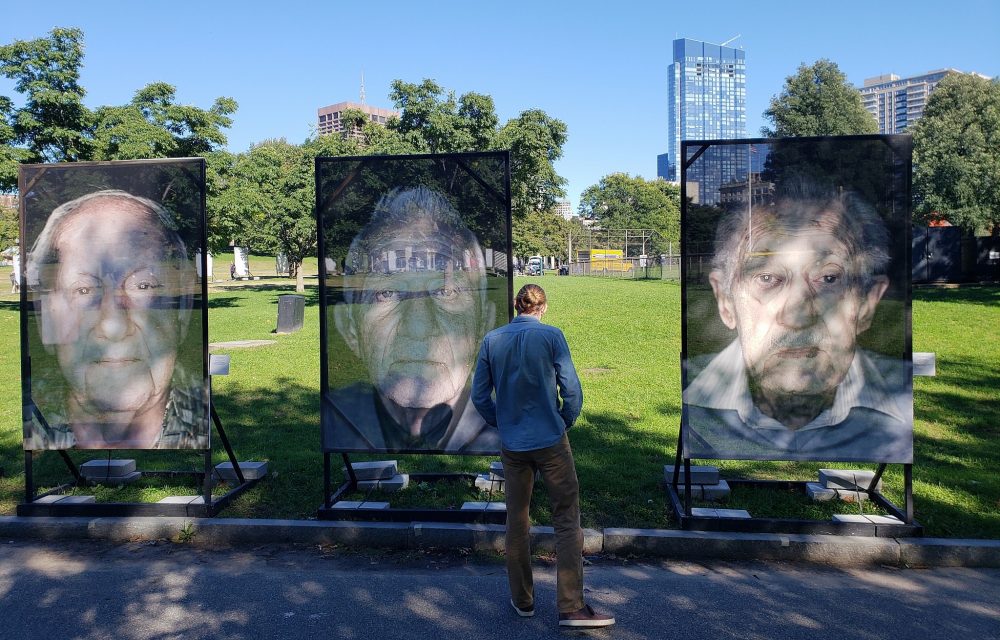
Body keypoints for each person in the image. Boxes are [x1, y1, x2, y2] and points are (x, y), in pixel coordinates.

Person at [683, 190, 912, 462]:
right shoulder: (693, 396)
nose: (798, 317)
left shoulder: (901, 396)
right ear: (725, 301)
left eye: (829, 278)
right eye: (767, 277)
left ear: (866, 304)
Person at [472, 284, 614, 629]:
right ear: (543, 308)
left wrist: (502, 422)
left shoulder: (493, 340)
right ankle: (571, 605)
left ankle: (522, 600)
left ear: (516, 306)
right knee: (566, 518)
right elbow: (572, 390)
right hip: (551, 440)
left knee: (517, 521)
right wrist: (562, 421)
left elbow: (479, 396)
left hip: (513, 444)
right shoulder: (552, 336)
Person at [24, 189, 206, 449]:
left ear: (183, 310)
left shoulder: (202, 415)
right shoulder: (33, 419)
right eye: (84, 290)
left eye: (143, 286)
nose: (114, 326)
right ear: (46, 317)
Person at [323, 186, 499, 453]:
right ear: (350, 329)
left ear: (484, 324)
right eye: (387, 293)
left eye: (446, 291)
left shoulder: (505, 422)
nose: (418, 328)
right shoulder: (336, 418)